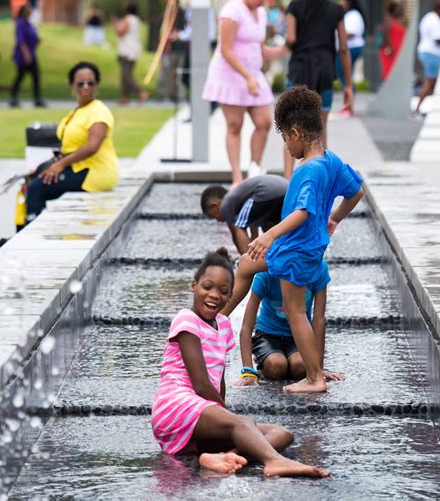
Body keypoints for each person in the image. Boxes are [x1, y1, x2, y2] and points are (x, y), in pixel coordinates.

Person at [221, 86, 363, 394]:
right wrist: (335, 217)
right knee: (246, 266)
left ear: (296, 132)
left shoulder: (306, 171)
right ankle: (214, 322)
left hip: (293, 250)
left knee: (296, 311)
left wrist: (270, 234)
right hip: (310, 248)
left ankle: (314, 378)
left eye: (285, 138)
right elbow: (357, 192)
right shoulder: (331, 160)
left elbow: (301, 211)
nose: (286, 146)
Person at [151, 247, 329, 479]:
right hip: (175, 406)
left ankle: (226, 457)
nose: (214, 295)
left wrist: (227, 420)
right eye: (207, 287)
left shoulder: (223, 325)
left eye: (223, 291)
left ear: (230, 294)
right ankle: (274, 461)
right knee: (243, 425)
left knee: (281, 433)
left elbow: (218, 380)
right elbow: (202, 384)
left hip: (200, 414)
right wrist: (230, 419)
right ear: (193, 286)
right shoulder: (187, 320)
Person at [202, 0, 285, 185]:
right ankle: (237, 177)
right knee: (234, 125)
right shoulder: (231, 11)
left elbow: (258, 47)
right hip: (230, 74)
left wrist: (280, 51)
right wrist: (247, 76)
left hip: (253, 74)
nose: (265, 2)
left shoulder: (261, 13)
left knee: (264, 122)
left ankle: (254, 169)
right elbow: (226, 51)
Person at [25, 61, 119, 223]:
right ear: (71, 85)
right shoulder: (76, 112)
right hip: (78, 167)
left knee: (36, 189)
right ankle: (24, 232)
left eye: (91, 83)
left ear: (97, 85)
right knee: (36, 179)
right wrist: (46, 166)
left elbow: (92, 147)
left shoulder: (99, 111)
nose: (86, 87)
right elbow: (67, 148)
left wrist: (60, 165)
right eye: (80, 83)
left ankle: (28, 236)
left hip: (95, 172)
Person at [285, 0, 353, 160]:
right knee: (320, 130)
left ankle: (290, 183)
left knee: (292, 130)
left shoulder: (295, 6)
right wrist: (348, 84)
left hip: (299, 70)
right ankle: (321, 184)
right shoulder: (336, 10)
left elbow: (290, 39)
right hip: (324, 71)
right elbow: (343, 48)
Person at [236, 266, 344, 386]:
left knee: (301, 366)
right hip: (267, 335)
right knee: (276, 366)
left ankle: (290, 362)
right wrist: (248, 371)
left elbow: (318, 321)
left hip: (299, 335)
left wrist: (317, 370)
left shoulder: (317, 268)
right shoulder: (266, 274)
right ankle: (267, 361)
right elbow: (247, 326)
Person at [200, 175, 288, 254]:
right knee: (268, 226)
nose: (218, 221)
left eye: (213, 216)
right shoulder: (242, 200)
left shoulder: (226, 204)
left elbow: (235, 234)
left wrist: (244, 259)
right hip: (286, 189)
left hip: (265, 191)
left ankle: (250, 263)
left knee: (239, 226)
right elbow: (254, 228)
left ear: (214, 206)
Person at [415, 0, 440, 113]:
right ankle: (417, 109)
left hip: (428, 53)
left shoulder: (429, 17)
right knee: (431, 82)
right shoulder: (434, 20)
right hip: (432, 54)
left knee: (433, 83)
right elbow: (437, 39)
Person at [335, 0, 366, 117]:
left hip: (349, 48)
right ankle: (347, 105)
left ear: (348, 2)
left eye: (342, 0)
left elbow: (351, 32)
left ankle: (349, 106)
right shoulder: (349, 15)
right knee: (346, 75)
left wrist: (339, 37)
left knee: (344, 74)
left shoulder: (353, 15)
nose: (340, 2)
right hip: (348, 47)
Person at [10, 4, 44, 107]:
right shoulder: (21, 23)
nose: (30, 11)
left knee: (36, 76)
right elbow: (21, 41)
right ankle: (13, 98)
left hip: (31, 54)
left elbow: (34, 37)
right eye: (28, 10)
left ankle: (37, 99)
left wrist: (37, 41)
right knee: (20, 76)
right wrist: (26, 54)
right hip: (23, 55)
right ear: (23, 11)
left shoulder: (29, 23)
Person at [114, 2, 148, 104]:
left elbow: (120, 32)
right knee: (125, 75)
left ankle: (141, 92)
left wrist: (115, 23)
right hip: (134, 49)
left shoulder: (128, 19)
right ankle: (125, 97)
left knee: (126, 75)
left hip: (127, 50)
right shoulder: (137, 20)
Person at [379, 2, 406, 81]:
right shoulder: (389, 21)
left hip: (398, 51)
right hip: (391, 51)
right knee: (389, 73)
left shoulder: (399, 22)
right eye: (399, 9)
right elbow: (386, 35)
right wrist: (390, 48)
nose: (401, 11)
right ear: (393, 11)